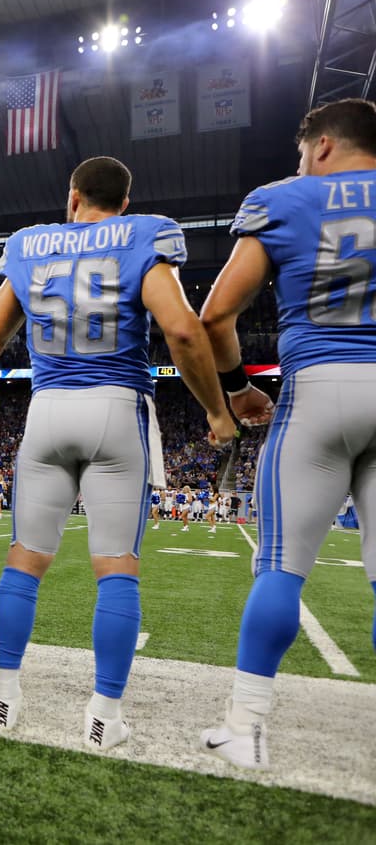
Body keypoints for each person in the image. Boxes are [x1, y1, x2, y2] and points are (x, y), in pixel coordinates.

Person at [0, 156, 236, 750]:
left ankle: (4, 699)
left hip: (48, 411)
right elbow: (182, 330)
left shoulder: (30, 244)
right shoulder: (141, 233)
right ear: (124, 203)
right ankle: (103, 716)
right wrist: (215, 409)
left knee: (22, 564)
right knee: (116, 571)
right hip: (116, 409)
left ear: (73, 196)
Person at [198, 98, 376, 769]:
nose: (300, 163)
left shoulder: (285, 198)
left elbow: (217, 314)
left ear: (324, 145)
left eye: (304, 152)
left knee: (279, 566)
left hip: (319, 393)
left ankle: (244, 729)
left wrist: (241, 385)